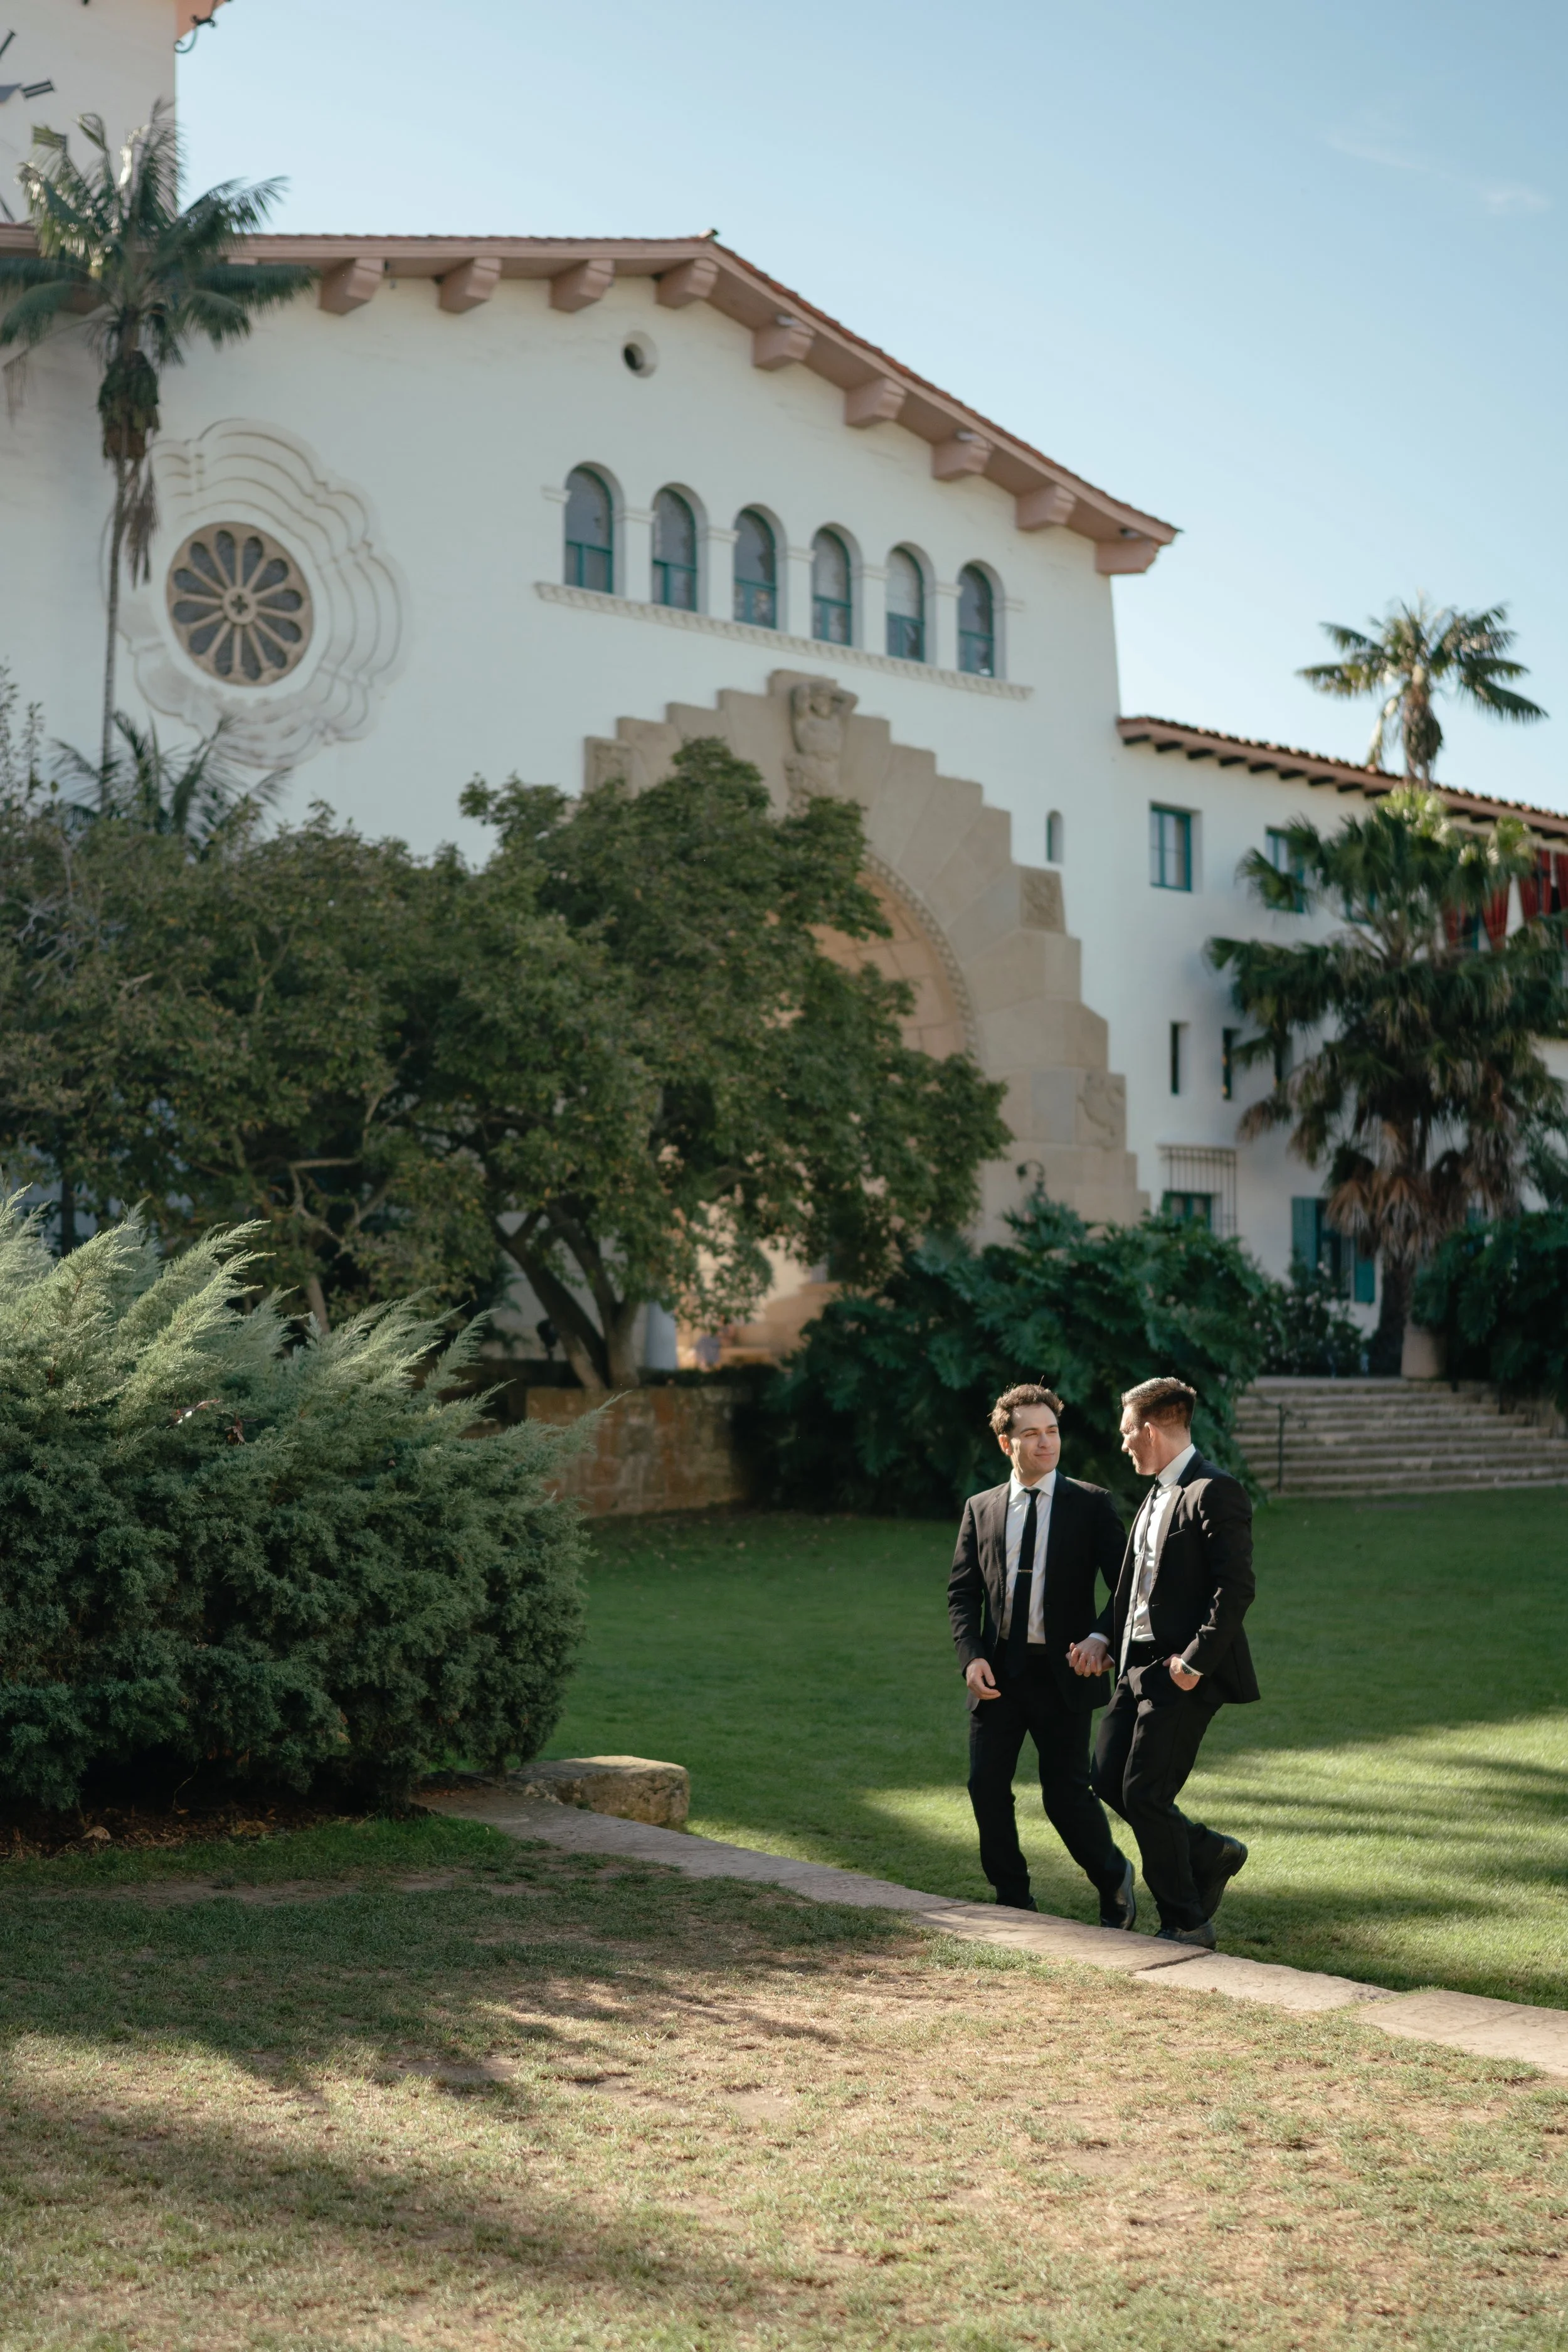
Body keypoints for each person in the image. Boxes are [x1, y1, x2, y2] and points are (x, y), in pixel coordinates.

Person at [1068, 1375, 1257, 1949]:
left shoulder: (1214, 1491)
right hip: (1133, 1663)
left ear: (1151, 1427)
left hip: (1183, 1670)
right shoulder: (1153, 1493)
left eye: (1128, 1432)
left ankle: (1186, 1921)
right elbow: (1131, 1590)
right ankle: (1209, 1851)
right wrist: (1102, 1635)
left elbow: (1236, 1588)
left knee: (1146, 1791)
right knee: (1107, 1777)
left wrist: (1194, 1662)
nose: (1124, 1443)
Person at [948, 1383, 1136, 1927]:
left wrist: (1102, 1638)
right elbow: (963, 1592)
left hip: (1065, 1674)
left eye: (1052, 1431)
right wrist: (971, 1656)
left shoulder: (1092, 1504)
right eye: (1031, 1433)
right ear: (1008, 1443)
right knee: (985, 1784)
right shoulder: (980, 1508)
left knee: (1065, 1795)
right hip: (1000, 1672)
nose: (1045, 1442)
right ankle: (1014, 1898)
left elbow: (1124, 1588)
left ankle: (1113, 1877)